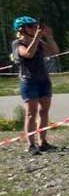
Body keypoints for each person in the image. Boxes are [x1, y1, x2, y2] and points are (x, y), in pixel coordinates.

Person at [11, 16, 60, 155]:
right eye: (30, 26)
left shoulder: (38, 41)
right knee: (31, 114)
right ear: (22, 29)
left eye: (35, 26)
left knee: (44, 111)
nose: (34, 28)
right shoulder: (17, 43)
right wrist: (37, 37)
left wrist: (49, 37)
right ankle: (31, 144)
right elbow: (28, 54)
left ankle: (43, 142)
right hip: (29, 81)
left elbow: (54, 51)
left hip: (43, 80)